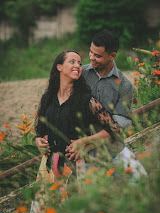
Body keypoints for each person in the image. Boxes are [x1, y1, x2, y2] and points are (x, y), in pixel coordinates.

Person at [65, 31, 147, 179]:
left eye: (97, 55)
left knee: (140, 179)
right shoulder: (80, 74)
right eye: (91, 52)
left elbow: (116, 128)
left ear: (112, 56)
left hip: (111, 149)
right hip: (76, 152)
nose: (91, 57)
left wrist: (85, 143)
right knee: (88, 197)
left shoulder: (124, 86)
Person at [35, 50, 122, 182]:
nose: (77, 66)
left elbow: (114, 128)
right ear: (59, 67)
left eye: (80, 63)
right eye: (72, 62)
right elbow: (41, 130)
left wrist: (84, 141)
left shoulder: (86, 100)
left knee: (73, 202)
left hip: (77, 167)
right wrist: (38, 140)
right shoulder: (47, 98)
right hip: (49, 168)